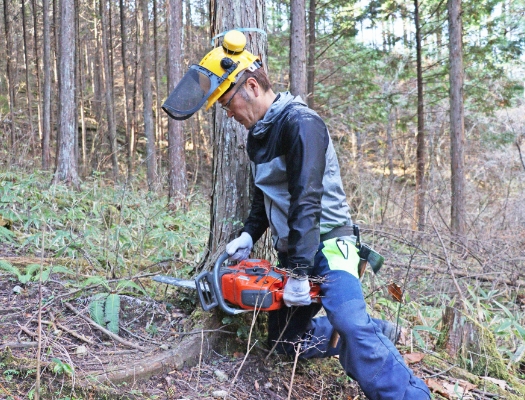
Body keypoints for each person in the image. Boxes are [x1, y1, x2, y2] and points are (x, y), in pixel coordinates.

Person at [163, 30, 430, 400]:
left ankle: (408, 392)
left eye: (228, 103)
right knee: (287, 344)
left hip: (330, 244)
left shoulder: (301, 124)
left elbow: (307, 200)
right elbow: (263, 194)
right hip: (293, 252)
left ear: (252, 86)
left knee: (351, 325)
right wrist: (248, 234)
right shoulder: (259, 134)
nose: (228, 113)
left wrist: (302, 272)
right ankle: (377, 333)